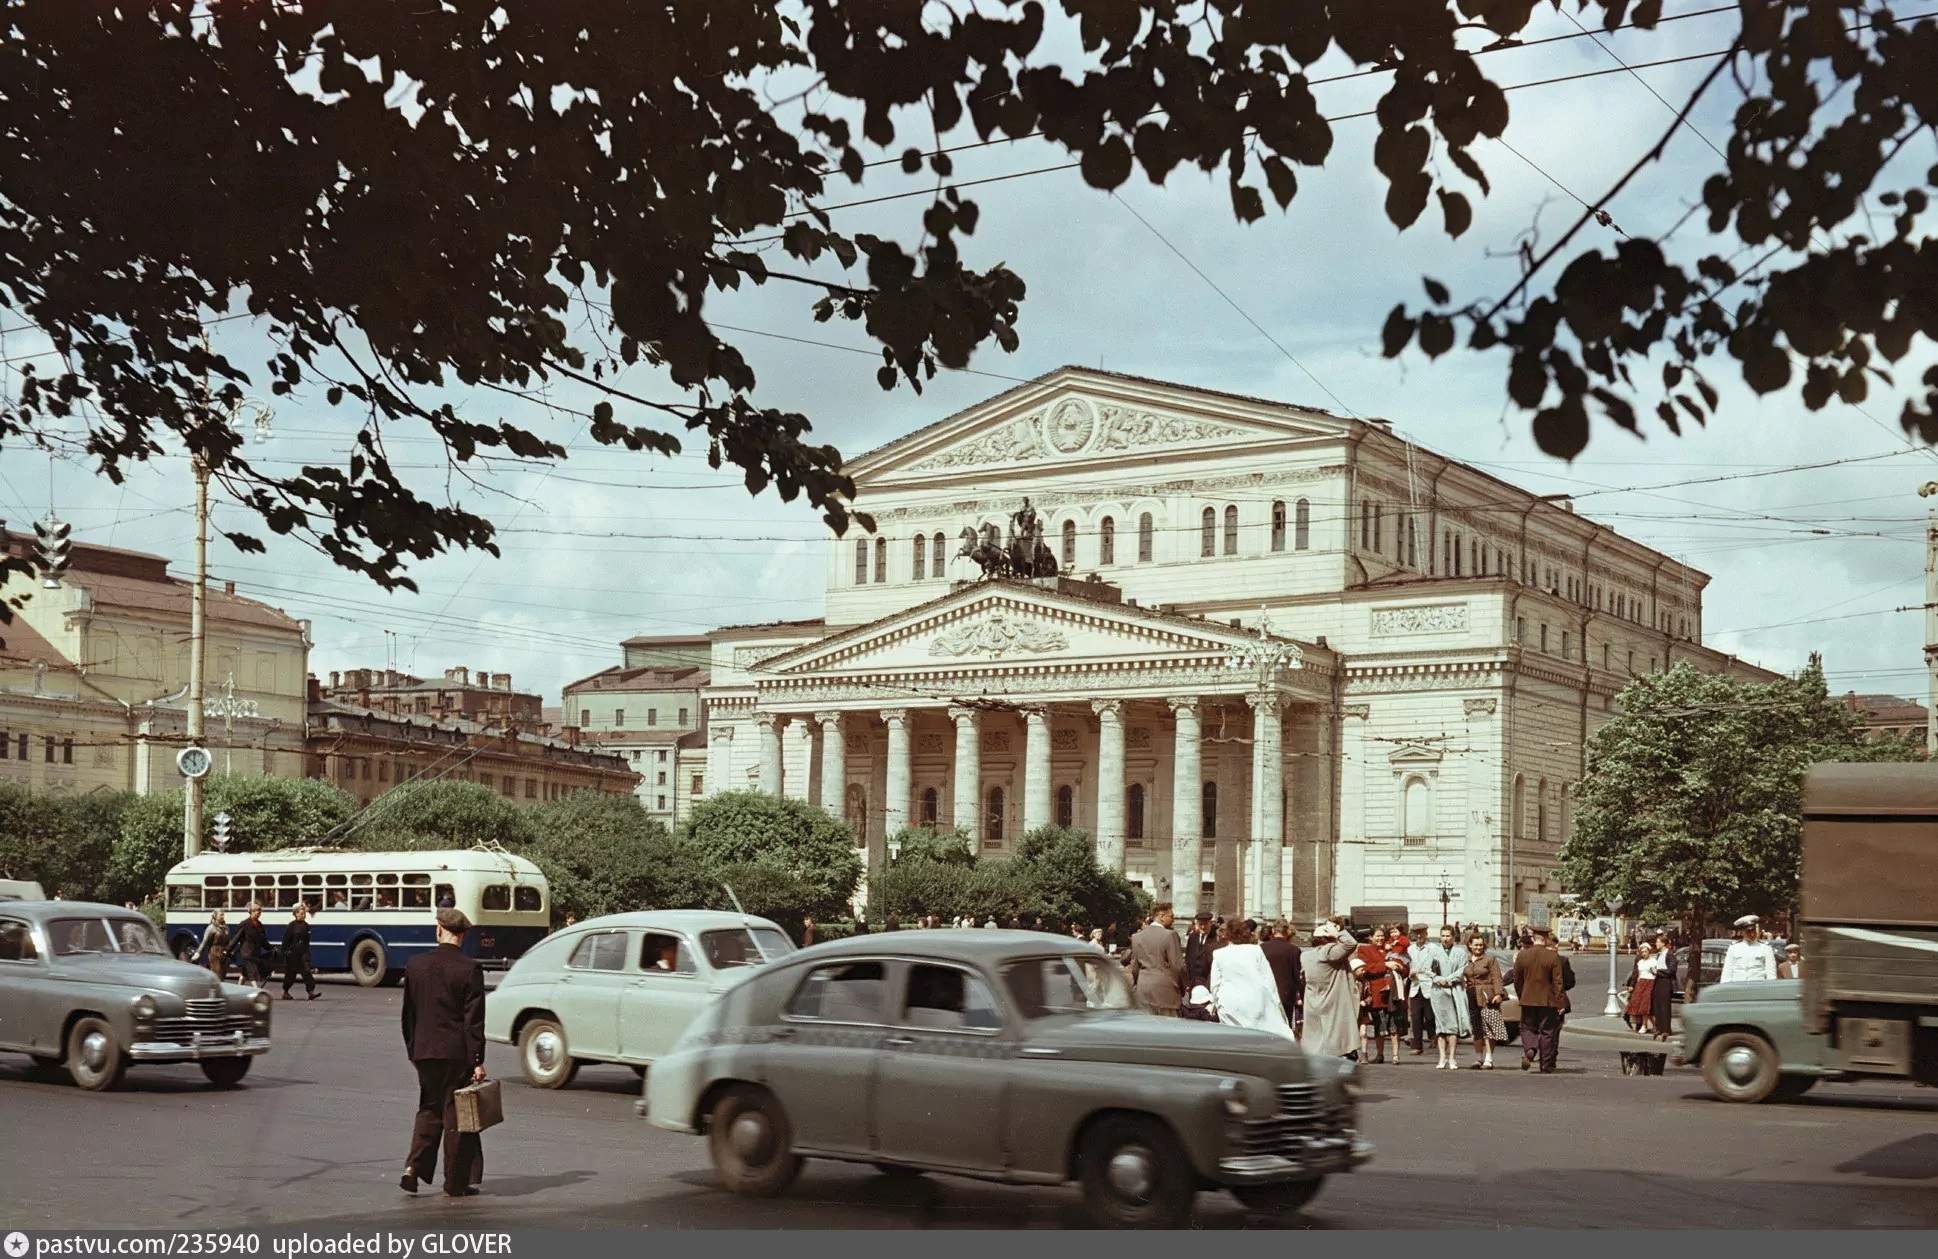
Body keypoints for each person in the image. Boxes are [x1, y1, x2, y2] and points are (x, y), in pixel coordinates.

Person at [400, 908, 487, 1198]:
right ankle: (454, 1182)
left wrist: (413, 1051)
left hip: (424, 1051)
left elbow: (408, 1015)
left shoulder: (415, 965)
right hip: (455, 1054)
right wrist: (477, 1060)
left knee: (428, 1108)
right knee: (455, 1116)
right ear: (462, 935)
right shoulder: (469, 968)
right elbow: (473, 1021)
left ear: (439, 930)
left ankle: (412, 1168)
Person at [1208, 917, 1295, 1040]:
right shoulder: (1256, 950)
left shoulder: (1219, 953)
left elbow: (1215, 984)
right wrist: (1276, 1003)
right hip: (1255, 1001)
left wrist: (1217, 1002)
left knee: (1233, 1039)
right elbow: (1269, 980)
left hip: (1229, 1002)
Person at [1300, 920, 1362, 1060]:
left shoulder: (1306, 956)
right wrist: (1339, 932)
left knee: (1316, 1042)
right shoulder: (1328, 951)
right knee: (1337, 1043)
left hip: (1314, 1002)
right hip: (1333, 1002)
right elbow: (1350, 944)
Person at [1511, 925, 1565, 1073]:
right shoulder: (1553, 956)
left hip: (1528, 999)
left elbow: (1516, 979)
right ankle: (1545, 1064)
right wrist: (1560, 1002)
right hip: (1548, 1001)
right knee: (1547, 1031)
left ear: (1533, 938)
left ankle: (1530, 1049)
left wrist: (1522, 994)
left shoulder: (1523, 955)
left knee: (1527, 1027)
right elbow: (1558, 982)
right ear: (1546, 938)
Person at [1418, 925, 1469, 1069]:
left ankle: (1452, 1057)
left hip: (1454, 990)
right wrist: (1437, 978)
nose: (1445, 939)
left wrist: (1449, 979)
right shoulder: (1433, 951)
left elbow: (1463, 969)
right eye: (1443, 936)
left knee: (1452, 1026)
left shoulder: (1460, 952)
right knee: (1440, 1026)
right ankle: (1442, 1057)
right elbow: (1426, 969)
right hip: (1438, 991)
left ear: (1453, 937)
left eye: (1448, 936)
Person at [1126, 904, 1185, 1016]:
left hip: (1143, 990)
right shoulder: (1170, 935)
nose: (1173, 920)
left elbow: (1134, 968)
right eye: (1171, 916)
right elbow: (1177, 966)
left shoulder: (1137, 937)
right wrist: (1183, 987)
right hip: (1165, 992)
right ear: (1161, 916)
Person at [1354, 925, 1397, 1063]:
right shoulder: (1364, 949)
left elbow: (1402, 962)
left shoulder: (1390, 949)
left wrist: (1400, 966)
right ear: (1371, 937)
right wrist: (1386, 965)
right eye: (1377, 936)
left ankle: (1387, 1055)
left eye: (1382, 936)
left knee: (1387, 1025)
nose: (1380, 938)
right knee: (1371, 1025)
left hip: (1389, 993)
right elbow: (1366, 968)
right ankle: (1371, 1054)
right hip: (1373, 992)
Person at [1465, 932, 1506, 1068]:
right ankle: (1478, 1058)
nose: (1479, 947)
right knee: (1476, 1028)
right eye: (1476, 945)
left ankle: (1489, 1058)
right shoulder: (1467, 959)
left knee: (1488, 1027)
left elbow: (1497, 977)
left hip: (1487, 996)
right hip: (1472, 995)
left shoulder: (1490, 959)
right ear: (1470, 945)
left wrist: (1499, 994)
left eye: (1481, 945)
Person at [1260, 920, 1303, 1035]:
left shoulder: (1261, 948)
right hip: (1286, 995)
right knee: (1284, 1028)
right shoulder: (1293, 950)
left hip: (1265, 994)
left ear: (1273, 931)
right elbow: (1297, 976)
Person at [1404, 924, 1436, 1053]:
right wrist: (1409, 974)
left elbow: (1438, 965)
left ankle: (1434, 1037)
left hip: (1429, 985)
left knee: (1430, 1016)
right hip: (1415, 985)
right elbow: (1407, 965)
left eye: (1421, 933)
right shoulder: (1410, 949)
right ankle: (1417, 1046)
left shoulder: (1433, 948)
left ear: (1426, 934)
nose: (1419, 936)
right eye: (1416, 933)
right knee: (1415, 1017)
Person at [1721, 915, 1779, 983]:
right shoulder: (1733, 948)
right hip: (1737, 988)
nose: (1752, 934)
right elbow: (1727, 972)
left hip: (1757, 988)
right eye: (1748, 931)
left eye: (1753, 931)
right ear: (1742, 932)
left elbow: (1771, 973)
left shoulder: (1765, 948)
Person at [280, 902, 318, 1001]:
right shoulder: (291, 926)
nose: (303, 915)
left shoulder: (306, 926)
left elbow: (307, 941)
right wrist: (285, 952)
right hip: (292, 954)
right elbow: (285, 940)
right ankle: (285, 992)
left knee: (307, 973)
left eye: (304, 913)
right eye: (301, 913)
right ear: (296, 914)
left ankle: (311, 993)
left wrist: (307, 954)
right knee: (290, 975)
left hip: (303, 954)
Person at [230, 903, 270, 990]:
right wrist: (228, 950)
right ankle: (256, 990)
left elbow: (263, 940)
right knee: (252, 971)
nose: (258, 913)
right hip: (246, 952)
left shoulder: (259, 925)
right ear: (251, 912)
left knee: (245, 973)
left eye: (260, 911)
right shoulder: (244, 924)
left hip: (255, 952)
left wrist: (270, 948)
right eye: (256, 911)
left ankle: (238, 989)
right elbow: (236, 938)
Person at [1650, 932, 1678, 1040]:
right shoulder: (1658, 954)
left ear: (1663, 943)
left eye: (1658, 942)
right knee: (1657, 1005)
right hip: (1658, 981)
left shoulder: (1669, 954)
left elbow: (1671, 970)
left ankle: (1666, 1029)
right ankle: (1659, 1028)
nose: (1656, 944)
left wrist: (1658, 971)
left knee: (1664, 1006)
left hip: (1666, 982)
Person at [1185, 912, 1215, 992]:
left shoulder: (1215, 939)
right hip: (1193, 982)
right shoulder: (1193, 937)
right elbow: (1188, 959)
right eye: (1200, 924)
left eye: (1205, 924)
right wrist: (1188, 981)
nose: (1203, 927)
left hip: (1207, 982)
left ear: (1210, 924)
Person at [199, 910, 229, 978]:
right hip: (214, 952)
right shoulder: (211, 928)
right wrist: (198, 952)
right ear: (215, 916)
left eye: (223, 915)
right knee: (217, 972)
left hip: (224, 953)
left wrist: (229, 950)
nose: (222, 917)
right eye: (221, 915)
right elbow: (204, 941)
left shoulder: (226, 927)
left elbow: (228, 940)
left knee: (222, 974)